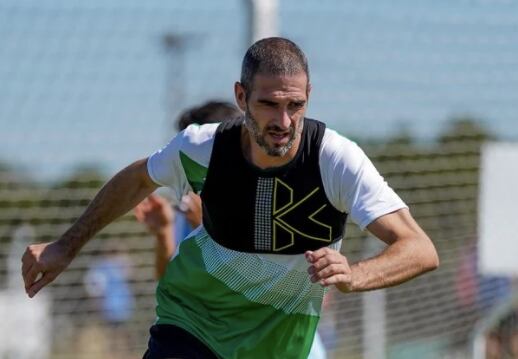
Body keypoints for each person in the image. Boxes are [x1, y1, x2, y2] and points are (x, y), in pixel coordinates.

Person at [22, 37, 439, 359]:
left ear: (310, 94)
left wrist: (355, 274)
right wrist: (65, 245)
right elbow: (136, 180)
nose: (284, 121)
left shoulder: (336, 160)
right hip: (192, 320)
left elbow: (419, 249)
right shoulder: (202, 148)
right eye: (269, 105)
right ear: (241, 97)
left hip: (278, 343)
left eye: (296, 105)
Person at [135, 101, 328, 358]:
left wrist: (203, 225)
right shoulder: (190, 204)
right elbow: (171, 283)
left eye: (198, 149)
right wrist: (164, 232)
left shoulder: (277, 206)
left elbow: (288, 290)